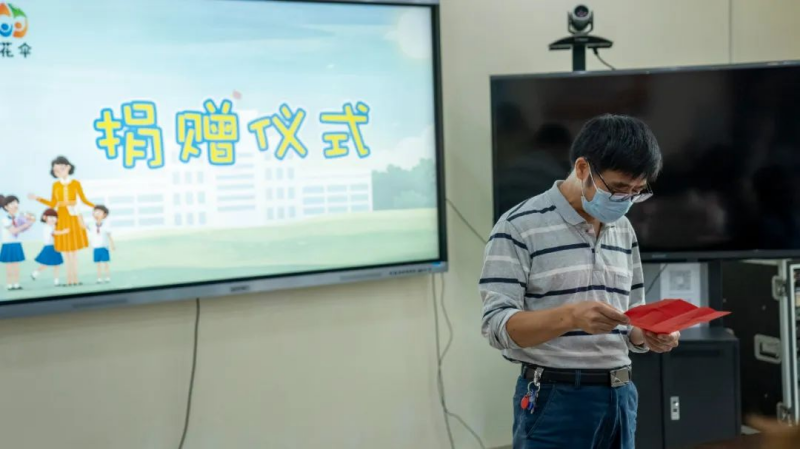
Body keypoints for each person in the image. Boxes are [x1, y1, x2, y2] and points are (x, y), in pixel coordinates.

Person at [479, 114, 681, 448]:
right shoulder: (518, 227)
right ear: (583, 168)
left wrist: (648, 334)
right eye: (618, 188)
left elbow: (631, 317)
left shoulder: (623, 229)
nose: (626, 200)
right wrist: (571, 317)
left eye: (636, 192)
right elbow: (496, 326)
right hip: (555, 400)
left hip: (621, 396)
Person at [29, 156, 95, 287]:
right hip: (62, 219)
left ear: (68, 167)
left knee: (74, 253)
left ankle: (75, 280)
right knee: (66, 253)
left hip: (73, 218)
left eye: (62, 168)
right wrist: (38, 198)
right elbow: (53, 203)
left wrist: (96, 207)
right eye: (56, 170)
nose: (59, 171)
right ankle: (69, 280)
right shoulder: (55, 185)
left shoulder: (75, 183)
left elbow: (83, 199)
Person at [31, 208, 70, 286]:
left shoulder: (53, 226)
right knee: (46, 264)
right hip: (49, 247)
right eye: (50, 217)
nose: (53, 219)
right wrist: (64, 232)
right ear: (45, 217)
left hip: (54, 247)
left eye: (55, 217)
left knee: (56, 265)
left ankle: (56, 281)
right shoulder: (47, 227)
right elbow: (54, 233)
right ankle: (35, 273)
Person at [88, 205, 114, 284]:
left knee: (105, 263)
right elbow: (83, 226)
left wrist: (112, 245)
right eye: (95, 212)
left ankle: (107, 277)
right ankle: (99, 278)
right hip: (96, 247)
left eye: (99, 212)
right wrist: (79, 214)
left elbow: (109, 235)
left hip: (104, 247)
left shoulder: (105, 225)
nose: (96, 214)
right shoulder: (92, 225)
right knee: (98, 264)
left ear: (104, 215)